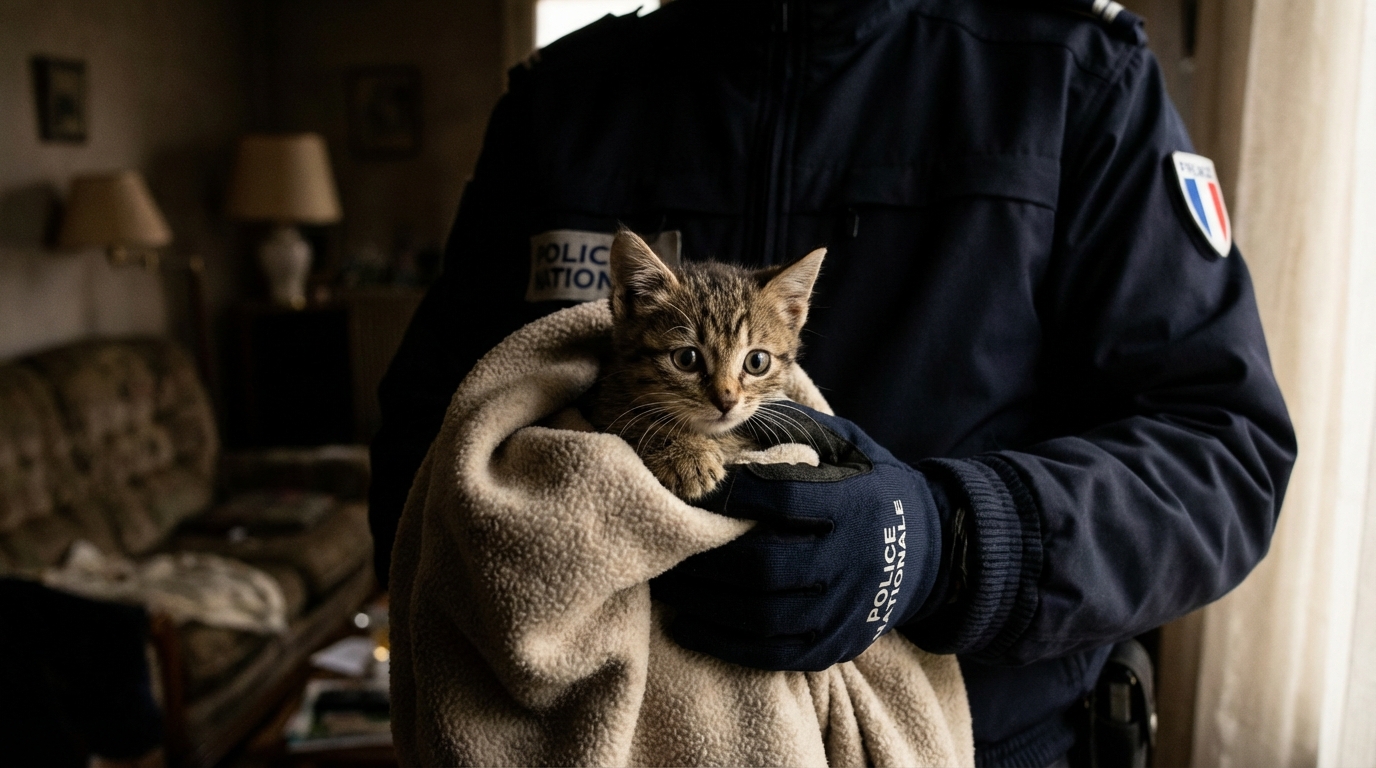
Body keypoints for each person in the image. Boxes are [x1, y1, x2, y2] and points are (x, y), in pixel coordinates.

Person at [369, 1, 1297, 765]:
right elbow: (430, 435)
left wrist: (943, 541)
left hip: (983, 738)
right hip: (589, 731)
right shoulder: (564, 100)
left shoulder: (1071, 79)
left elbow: (1222, 452)